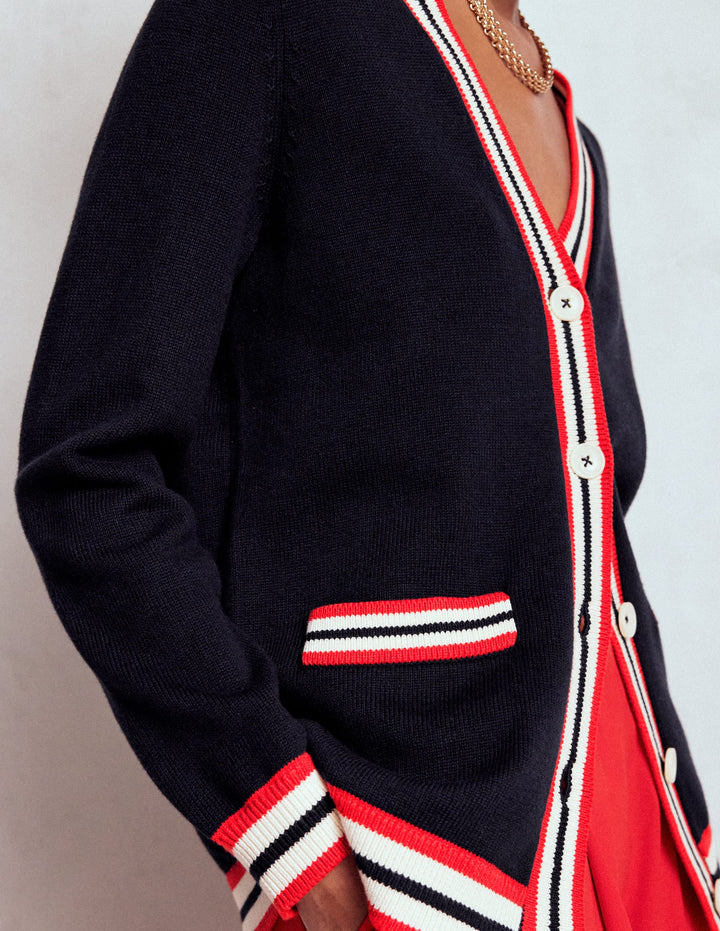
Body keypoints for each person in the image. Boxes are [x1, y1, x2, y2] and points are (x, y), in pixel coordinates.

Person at [14, 0, 720, 928]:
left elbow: (591, 516)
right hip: (420, 855)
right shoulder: (261, 24)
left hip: (643, 834)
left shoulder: (561, 114)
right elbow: (87, 474)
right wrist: (290, 839)